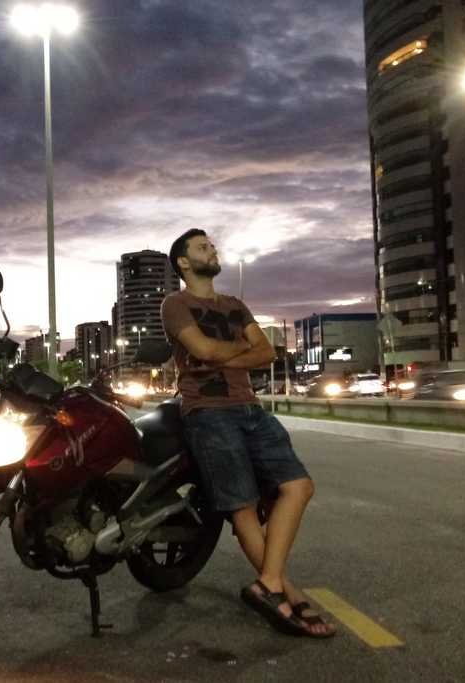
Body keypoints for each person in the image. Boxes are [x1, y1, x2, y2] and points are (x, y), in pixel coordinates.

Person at [161, 228, 336, 639]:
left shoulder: (235, 305)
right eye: (202, 247)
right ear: (184, 263)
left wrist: (222, 353)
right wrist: (235, 352)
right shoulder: (176, 304)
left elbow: (267, 352)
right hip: (207, 412)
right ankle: (285, 591)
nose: (212, 249)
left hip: (251, 409)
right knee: (242, 506)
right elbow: (202, 352)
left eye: (212, 244)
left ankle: (270, 583)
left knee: (299, 486)